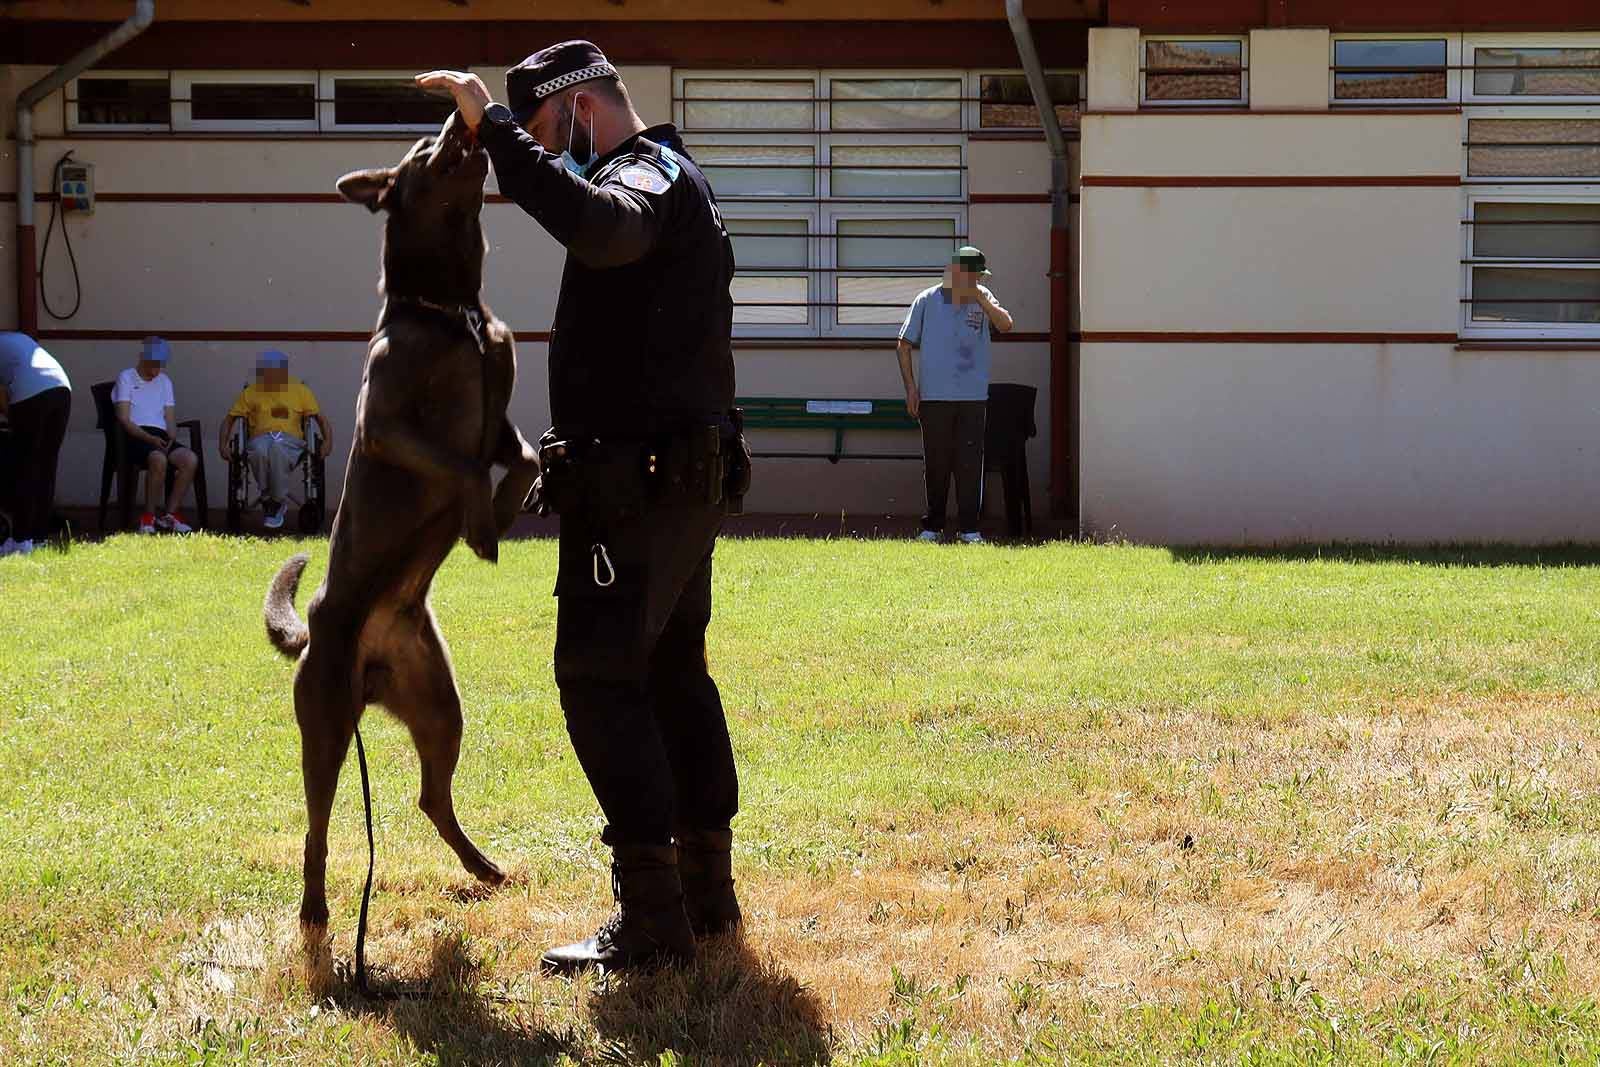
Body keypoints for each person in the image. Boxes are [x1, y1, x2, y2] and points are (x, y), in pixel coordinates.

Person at [418, 40, 747, 975]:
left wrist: (494, 126)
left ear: (578, 112)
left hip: (638, 491)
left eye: (549, 134)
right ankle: (706, 894)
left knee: (601, 677)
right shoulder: (683, 174)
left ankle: (653, 916)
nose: (550, 156)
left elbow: (600, 228)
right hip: (674, 481)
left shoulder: (642, 174)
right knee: (676, 670)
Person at [896, 246, 1014, 544]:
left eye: (980, 277)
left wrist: (981, 300)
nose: (978, 280)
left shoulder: (984, 297)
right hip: (934, 397)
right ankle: (933, 526)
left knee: (970, 462)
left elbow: (1006, 325)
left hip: (973, 397)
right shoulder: (927, 299)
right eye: (974, 275)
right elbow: (904, 344)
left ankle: (969, 528)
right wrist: (911, 388)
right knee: (936, 463)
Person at [219, 350, 332, 530]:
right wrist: (223, 444)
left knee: (277, 446)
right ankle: (269, 500)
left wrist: (327, 442)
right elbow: (229, 419)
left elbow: (321, 420)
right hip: (260, 439)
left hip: (291, 441)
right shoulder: (251, 392)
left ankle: (275, 502)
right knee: (261, 450)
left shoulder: (300, 391)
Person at [112, 336, 198, 534]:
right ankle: (148, 517)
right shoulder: (126, 377)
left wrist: (172, 437)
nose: (156, 371)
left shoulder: (165, 381)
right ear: (142, 358)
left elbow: (170, 418)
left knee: (190, 459)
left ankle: (170, 514)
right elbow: (124, 419)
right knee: (158, 459)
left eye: (160, 366)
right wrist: (150, 439)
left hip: (161, 436)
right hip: (136, 435)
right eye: (153, 365)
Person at [0, 331, 72, 556]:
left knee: (24, 467)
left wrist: (11, 420)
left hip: (30, 392)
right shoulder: (15, 339)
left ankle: (20, 540)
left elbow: (2, 398)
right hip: (62, 389)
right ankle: (39, 537)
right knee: (46, 467)